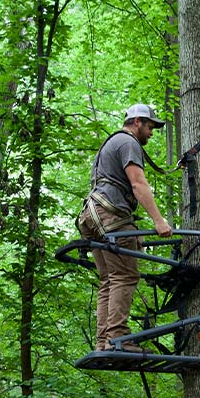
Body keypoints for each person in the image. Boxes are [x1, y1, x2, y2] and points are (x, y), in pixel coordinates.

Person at [77, 104, 174, 352]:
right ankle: (118, 338)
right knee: (125, 275)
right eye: (150, 126)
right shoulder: (128, 143)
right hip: (110, 216)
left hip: (92, 217)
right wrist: (158, 220)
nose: (152, 133)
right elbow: (138, 184)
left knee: (109, 280)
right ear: (137, 122)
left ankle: (104, 342)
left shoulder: (112, 144)